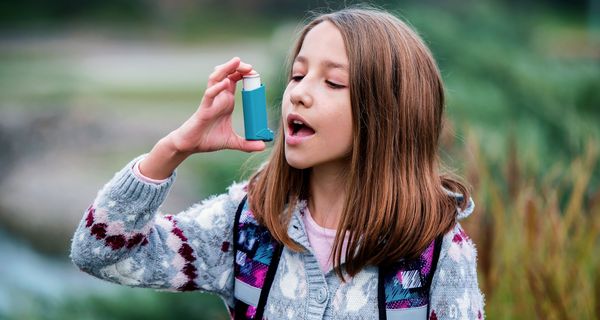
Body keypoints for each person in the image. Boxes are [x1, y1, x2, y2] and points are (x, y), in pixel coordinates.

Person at [70, 6, 484, 320]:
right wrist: (175, 148)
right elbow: (98, 254)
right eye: (298, 75)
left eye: (333, 82)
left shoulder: (437, 253)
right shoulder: (247, 226)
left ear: (390, 111)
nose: (299, 93)